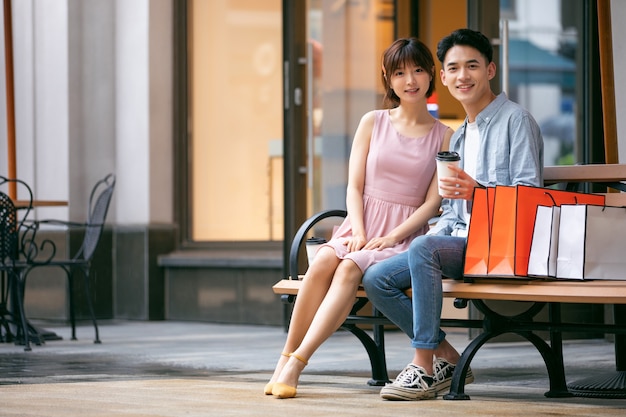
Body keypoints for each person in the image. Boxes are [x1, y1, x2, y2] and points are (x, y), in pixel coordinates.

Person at [265, 37, 453, 399]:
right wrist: (361, 230)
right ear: (388, 77)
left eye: (417, 70)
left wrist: (387, 236)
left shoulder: (444, 134)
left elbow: (432, 204)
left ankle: (297, 364)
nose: (409, 80)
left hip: (403, 236)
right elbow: (354, 186)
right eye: (399, 72)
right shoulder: (373, 121)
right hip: (360, 224)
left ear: (431, 74)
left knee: (351, 268)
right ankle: (283, 357)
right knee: (323, 261)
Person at [362, 28, 544, 401]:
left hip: (499, 243)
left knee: (424, 249)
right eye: (454, 68)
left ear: (490, 70)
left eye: (472, 66)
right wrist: (429, 229)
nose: (463, 76)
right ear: (442, 77)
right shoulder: (459, 136)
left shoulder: (515, 121)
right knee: (376, 277)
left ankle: (423, 365)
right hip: (462, 240)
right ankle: (447, 356)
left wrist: (479, 193)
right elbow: (450, 208)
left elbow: (530, 198)